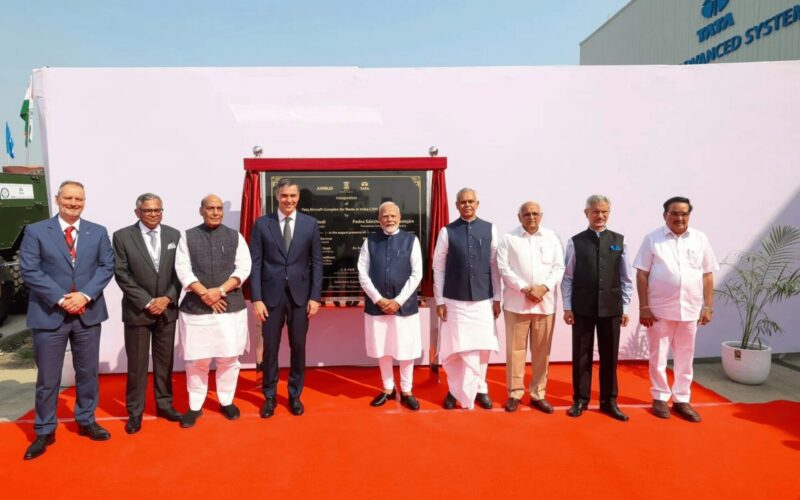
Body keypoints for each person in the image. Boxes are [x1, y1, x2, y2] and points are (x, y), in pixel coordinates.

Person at [20, 180, 115, 460]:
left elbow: (106, 266)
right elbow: (30, 270)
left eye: (79, 199)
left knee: (88, 374)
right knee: (48, 378)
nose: (73, 203)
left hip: (87, 313)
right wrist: (62, 299)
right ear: (57, 199)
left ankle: (86, 420)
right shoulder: (36, 231)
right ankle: (44, 430)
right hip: (49, 314)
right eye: (68, 198)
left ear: (84, 201)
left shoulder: (98, 232)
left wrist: (83, 296)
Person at [634, 196, 718, 422]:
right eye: (674, 213)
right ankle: (660, 397)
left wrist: (708, 306)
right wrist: (644, 306)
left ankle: (682, 399)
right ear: (665, 215)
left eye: (684, 214)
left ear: (689, 215)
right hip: (659, 310)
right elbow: (642, 274)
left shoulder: (700, 239)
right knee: (658, 356)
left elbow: (707, 275)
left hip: (690, 308)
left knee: (685, 357)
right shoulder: (653, 239)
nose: (679, 218)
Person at [175, 194, 251, 428]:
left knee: (229, 358)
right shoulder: (187, 236)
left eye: (219, 208)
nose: (216, 212)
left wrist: (219, 291)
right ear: (201, 210)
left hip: (229, 308)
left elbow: (243, 268)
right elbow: (183, 269)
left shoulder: (235, 237)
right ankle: (195, 406)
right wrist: (205, 295)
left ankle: (226, 401)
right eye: (211, 208)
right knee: (197, 360)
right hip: (196, 308)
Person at [250, 178, 323, 418]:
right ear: (277, 196)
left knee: (298, 347)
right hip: (270, 298)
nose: (288, 200)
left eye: (292, 196)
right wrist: (256, 298)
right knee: (270, 348)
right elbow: (256, 263)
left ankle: (294, 395)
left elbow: (317, 263)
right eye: (284, 196)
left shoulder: (310, 224)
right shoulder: (262, 224)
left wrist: (315, 297)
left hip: (300, 298)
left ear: (298, 197)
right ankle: (270, 396)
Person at [112, 193, 183, 434]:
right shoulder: (122, 236)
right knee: (137, 366)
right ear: (137, 212)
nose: (153, 214)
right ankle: (135, 412)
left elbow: (181, 272)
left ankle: (165, 405)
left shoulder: (174, 235)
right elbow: (121, 274)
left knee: (165, 363)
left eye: (158, 210)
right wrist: (148, 301)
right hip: (138, 312)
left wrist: (167, 298)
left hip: (167, 311)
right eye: (148, 210)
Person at [562, 195, 633, 421]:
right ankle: (580, 400)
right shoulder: (575, 241)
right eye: (595, 211)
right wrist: (567, 307)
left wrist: (625, 308)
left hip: (611, 308)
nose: (600, 216)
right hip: (582, 308)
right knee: (581, 355)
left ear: (609, 212)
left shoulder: (620, 241)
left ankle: (609, 401)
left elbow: (626, 278)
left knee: (609, 356)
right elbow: (567, 277)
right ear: (587, 213)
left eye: (604, 211)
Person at [432, 187, 501, 410]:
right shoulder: (447, 231)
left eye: (471, 201)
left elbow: (494, 265)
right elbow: (438, 267)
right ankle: (454, 390)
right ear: (457, 205)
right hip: (454, 299)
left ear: (477, 203)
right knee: (456, 347)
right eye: (463, 202)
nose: (467, 205)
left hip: (483, 299)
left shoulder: (490, 229)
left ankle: (481, 388)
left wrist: (497, 298)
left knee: (482, 345)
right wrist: (440, 300)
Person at [496, 201, 564, 413]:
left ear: (541, 215)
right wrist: (525, 289)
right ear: (519, 217)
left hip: (545, 304)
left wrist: (543, 288)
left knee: (542, 352)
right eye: (527, 214)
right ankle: (514, 393)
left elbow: (558, 267)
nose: (531, 217)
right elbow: (503, 268)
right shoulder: (509, 238)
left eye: (535, 213)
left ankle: (538, 393)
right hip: (517, 304)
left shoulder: (552, 237)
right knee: (515, 351)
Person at [357, 201, 423, 411]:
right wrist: (378, 299)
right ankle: (388, 388)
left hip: (405, 307)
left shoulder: (411, 240)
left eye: (393, 215)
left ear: (400, 218)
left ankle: (407, 390)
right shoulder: (370, 242)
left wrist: (398, 301)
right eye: (385, 216)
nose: (389, 219)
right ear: (379, 219)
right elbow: (362, 273)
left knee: (406, 349)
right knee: (383, 348)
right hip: (377, 306)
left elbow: (417, 274)